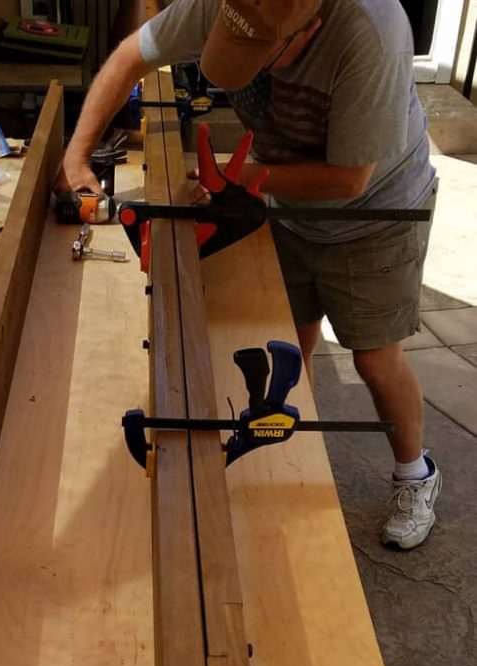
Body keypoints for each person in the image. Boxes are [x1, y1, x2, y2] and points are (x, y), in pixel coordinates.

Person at [56, 0, 442, 550]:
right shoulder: (227, 5)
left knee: (375, 360)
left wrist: (241, 178)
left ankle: (415, 473)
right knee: (291, 335)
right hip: (283, 195)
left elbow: (350, 179)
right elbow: (126, 59)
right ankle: (287, 448)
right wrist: (77, 159)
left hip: (375, 212)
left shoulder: (371, 32)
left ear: (307, 28)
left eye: (264, 56)